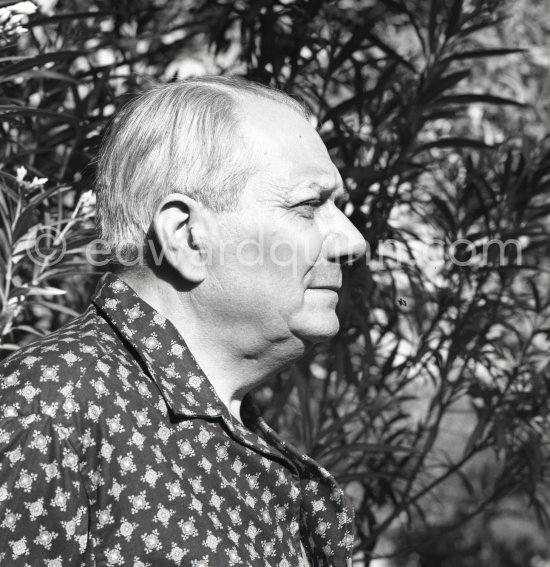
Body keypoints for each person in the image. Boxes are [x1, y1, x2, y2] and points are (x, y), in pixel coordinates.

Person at [0, 76, 366, 566]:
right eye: (307, 205)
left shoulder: (239, 437)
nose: (354, 240)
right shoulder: (54, 400)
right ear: (187, 237)